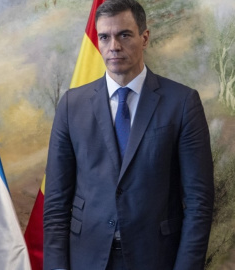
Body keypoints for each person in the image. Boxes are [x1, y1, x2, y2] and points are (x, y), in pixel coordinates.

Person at [43, 0, 214, 269]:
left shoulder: (181, 103)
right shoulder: (71, 105)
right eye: (104, 37)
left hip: (156, 258)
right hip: (86, 258)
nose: (114, 46)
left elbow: (199, 203)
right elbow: (55, 204)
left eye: (124, 34)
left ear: (144, 37)